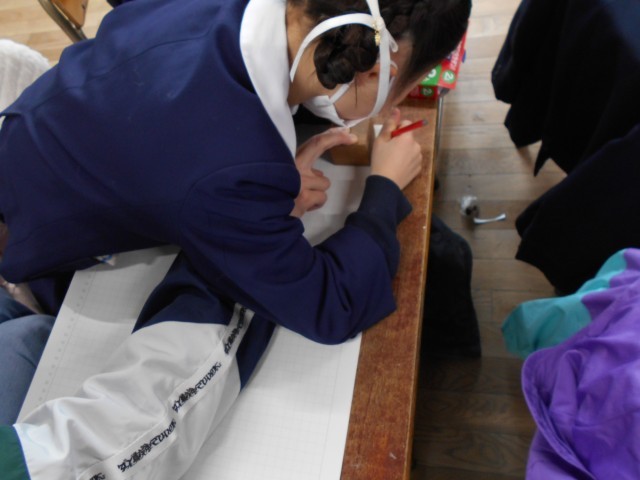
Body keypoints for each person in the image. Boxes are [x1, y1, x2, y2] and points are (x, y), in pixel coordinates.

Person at [0, 0, 471, 477]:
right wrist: (385, 187)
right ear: (375, 73)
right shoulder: (235, 170)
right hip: (39, 245)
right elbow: (330, 304)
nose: (392, 107)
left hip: (32, 141)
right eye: (401, 91)